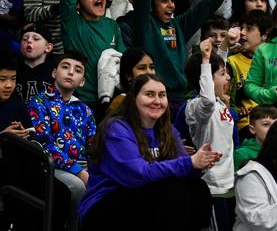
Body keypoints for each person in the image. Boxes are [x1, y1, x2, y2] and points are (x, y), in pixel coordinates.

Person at [79, 75, 218, 231]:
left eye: (162, 95)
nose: (157, 101)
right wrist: (190, 162)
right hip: (104, 207)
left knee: (197, 188)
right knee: (170, 188)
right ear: (134, 99)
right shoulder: (116, 129)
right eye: (149, 94)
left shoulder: (168, 130)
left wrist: (201, 163)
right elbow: (138, 174)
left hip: (146, 201)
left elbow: (184, 168)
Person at [28, 51, 96, 231]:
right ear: (54, 73)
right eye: (65, 67)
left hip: (84, 166)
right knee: (77, 186)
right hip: (52, 166)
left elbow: (94, 146)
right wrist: (78, 171)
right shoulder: (39, 102)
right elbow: (44, 143)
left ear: (82, 81)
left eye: (77, 70)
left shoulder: (86, 110)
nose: (71, 72)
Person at [58, 0, 124, 109]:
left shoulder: (112, 25)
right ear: (78, 4)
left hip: (112, 103)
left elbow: (122, 61)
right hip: (81, 102)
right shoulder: (73, 24)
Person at [186, 39, 236, 231]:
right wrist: (206, 60)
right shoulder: (197, 108)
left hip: (229, 185)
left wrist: (222, 47)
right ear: (204, 77)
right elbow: (207, 99)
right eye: (223, 74)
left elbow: (214, 83)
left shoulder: (220, 103)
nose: (228, 78)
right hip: (212, 188)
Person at [228, 10, 272, 136]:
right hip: (244, 128)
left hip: (272, 124)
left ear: (265, 34)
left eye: (249, 29)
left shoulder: (276, 62)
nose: (242, 32)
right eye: (242, 28)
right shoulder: (232, 62)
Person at [15, 23, 55, 105]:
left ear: (48, 47)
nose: (29, 41)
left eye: (36, 39)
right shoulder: (13, 69)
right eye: (24, 39)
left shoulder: (55, 72)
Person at [107, 48, 156, 113]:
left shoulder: (159, 97)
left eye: (151, 67)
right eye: (142, 68)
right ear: (128, 75)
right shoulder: (121, 102)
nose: (149, 72)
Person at [233, 105, 277, 169]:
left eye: (276, 124)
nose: (273, 129)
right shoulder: (241, 154)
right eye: (266, 124)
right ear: (252, 129)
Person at [0, 50, 31, 137]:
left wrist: (23, 133)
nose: (9, 85)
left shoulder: (17, 106)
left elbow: (32, 132)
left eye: (13, 79)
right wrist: (3, 136)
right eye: (2, 79)